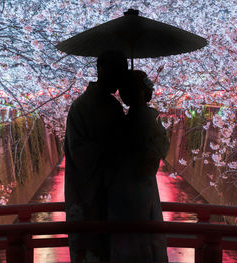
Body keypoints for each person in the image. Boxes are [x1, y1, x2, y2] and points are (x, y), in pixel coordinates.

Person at [64, 50, 128, 262]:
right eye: (117, 71)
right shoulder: (80, 108)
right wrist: (110, 146)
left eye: (123, 73)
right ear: (101, 70)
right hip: (86, 197)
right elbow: (80, 154)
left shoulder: (114, 107)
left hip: (110, 196)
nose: (120, 79)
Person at [108, 70, 169, 262]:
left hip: (123, 191)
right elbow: (158, 153)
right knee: (148, 243)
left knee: (128, 244)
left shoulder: (124, 121)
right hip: (144, 189)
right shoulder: (148, 120)